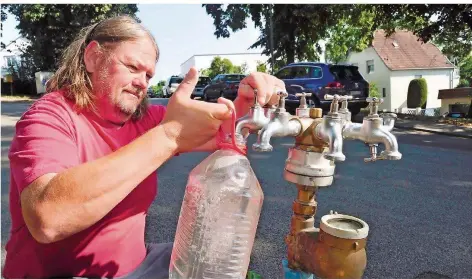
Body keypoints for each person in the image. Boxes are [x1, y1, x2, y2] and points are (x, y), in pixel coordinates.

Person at [3, 15, 286, 279]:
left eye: (149, 76)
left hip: (140, 265)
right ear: (92, 57)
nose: (142, 83)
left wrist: (246, 103)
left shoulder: (147, 119)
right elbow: (48, 218)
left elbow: (225, 129)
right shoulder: (50, 116)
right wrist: (167, 136)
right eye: (132, 67)